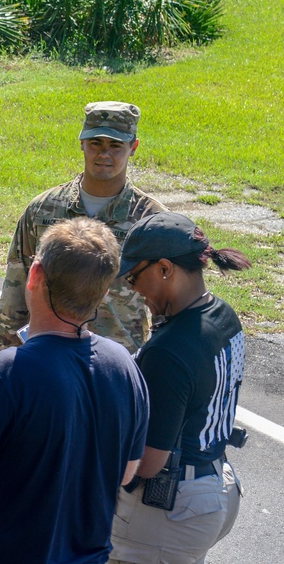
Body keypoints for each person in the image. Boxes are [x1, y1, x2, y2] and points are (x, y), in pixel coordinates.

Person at [0, 217, 150, 564]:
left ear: (35, 274)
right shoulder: (124, 366)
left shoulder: (6, 375)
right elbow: (125, 472)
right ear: (104, 290)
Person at [109, 212, 250, 564]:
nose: (132, 288)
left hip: (166, 513)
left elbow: (149, 463)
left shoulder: (168, 351)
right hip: (215, 485)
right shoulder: (223, 315)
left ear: (165, 269)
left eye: (133, 275)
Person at [0, 101, 167, 354]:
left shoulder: (150, 219)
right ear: (82, 143)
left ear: (133, 147)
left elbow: (168, 301)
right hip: (49, 356)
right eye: (96, 143)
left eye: (115, 145)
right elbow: (18, 281)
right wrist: (7, 348)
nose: (104, 154)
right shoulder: (43, 210)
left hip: (119, 359)